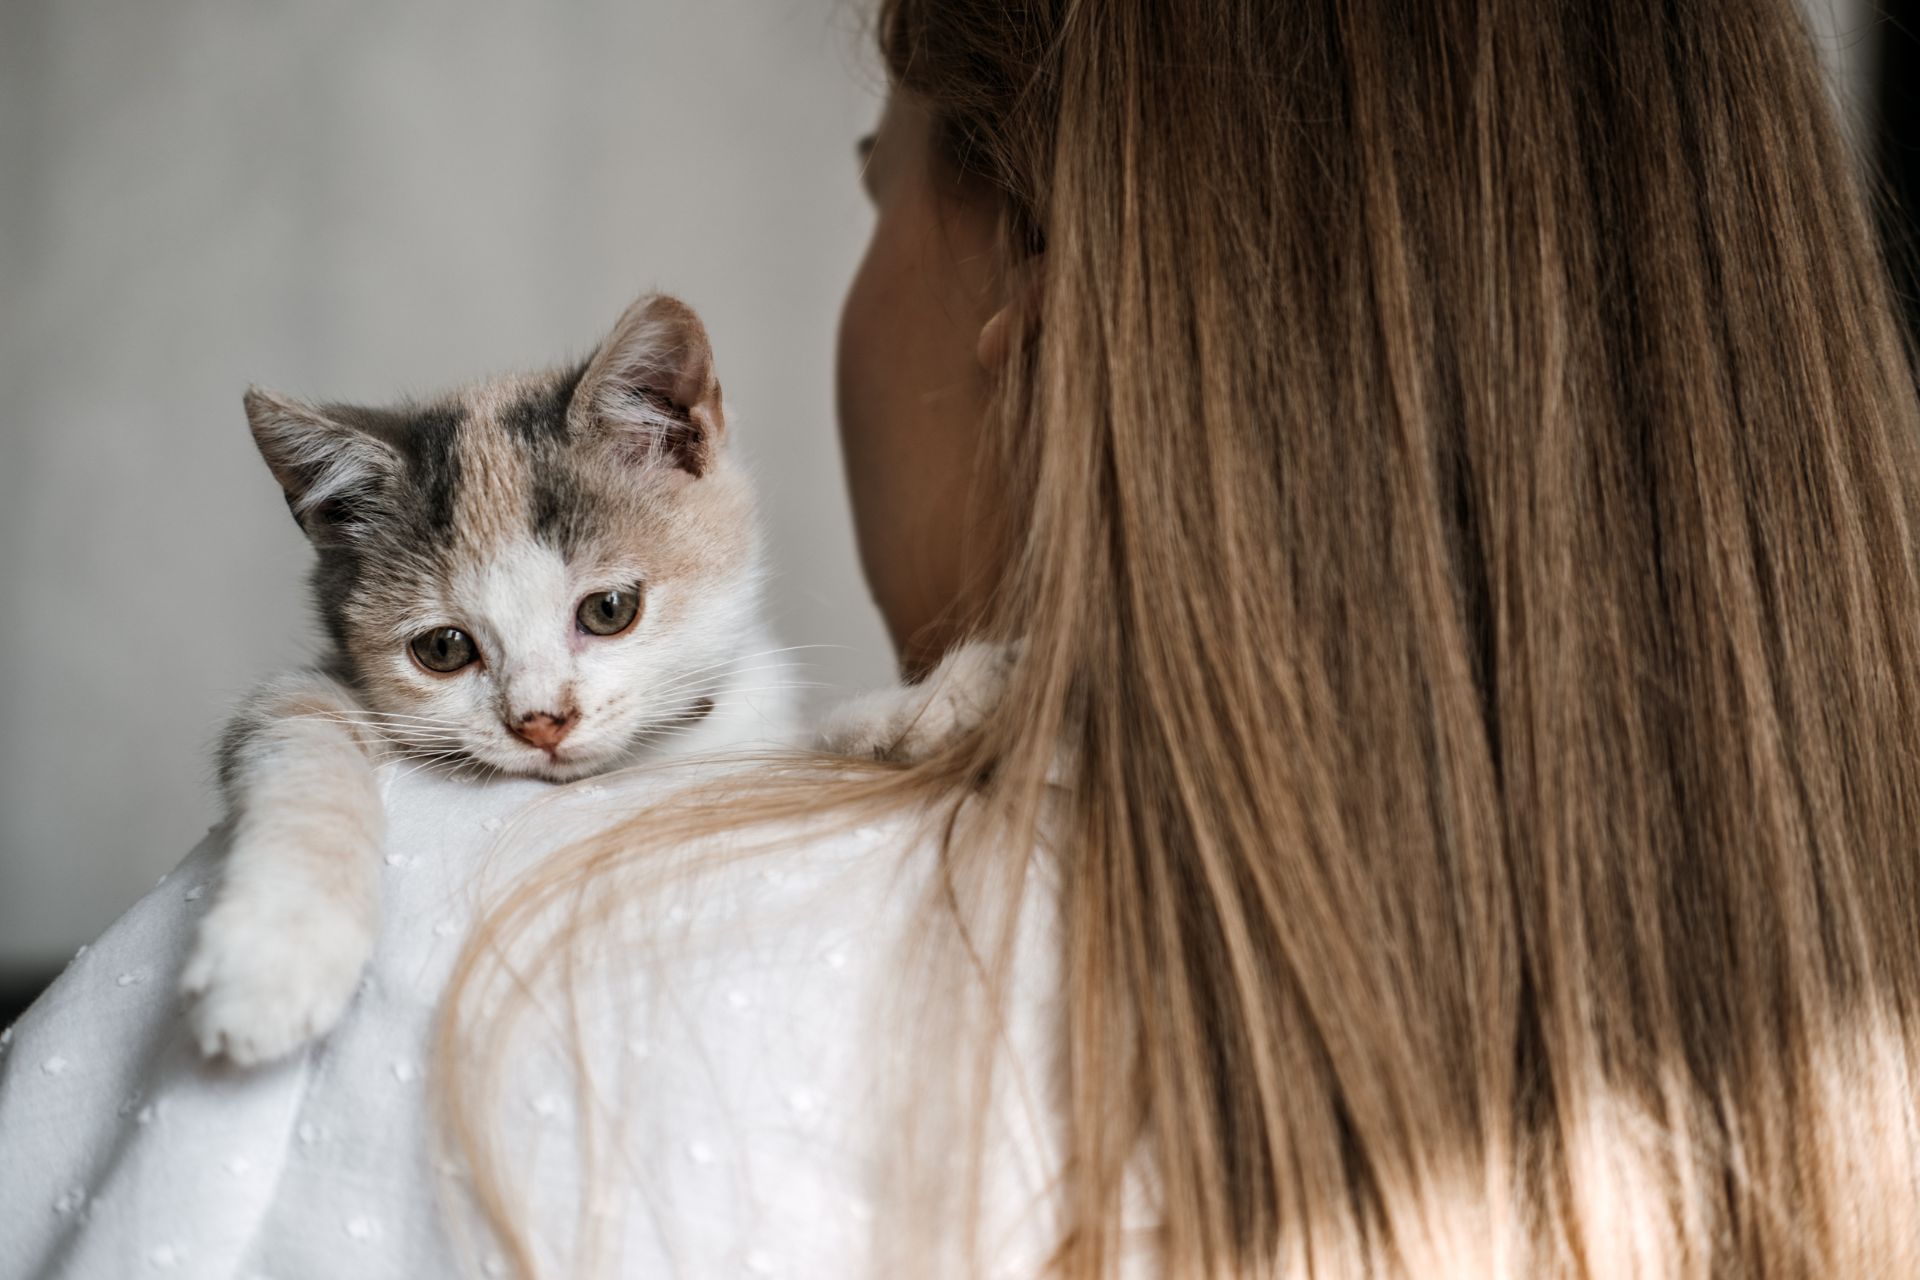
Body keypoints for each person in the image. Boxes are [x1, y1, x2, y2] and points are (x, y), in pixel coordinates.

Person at [7, 0, 1920, 1276]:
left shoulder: (429, 936)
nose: (543, 714)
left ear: (1026, 274)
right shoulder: (1839, 1078)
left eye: (881, 185)